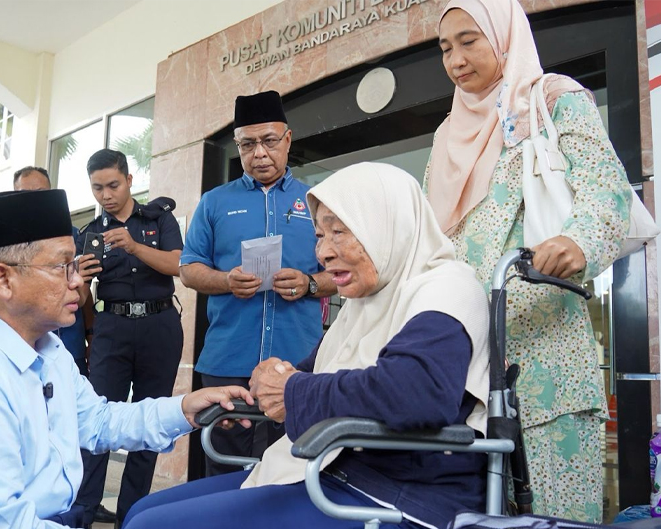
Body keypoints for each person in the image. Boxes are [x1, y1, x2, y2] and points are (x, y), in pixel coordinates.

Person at [123, 162, 491, 529]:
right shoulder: (366, 303)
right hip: (333, 471)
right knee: (141, 511)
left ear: (387, 223)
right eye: (319, 235)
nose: (323, 253)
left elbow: (416, 390)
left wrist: (291, 389)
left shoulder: (447, 288)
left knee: (149, 525)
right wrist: (262, 390)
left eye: (340, 231)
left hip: (398, 494)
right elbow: (306, 373)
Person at [0, 189, 254, 529]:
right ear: (3, 280)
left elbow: (97, 421)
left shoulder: (47, 349)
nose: (77, 281)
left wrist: (185, 409)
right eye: (62, 266)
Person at [424, 0, 633, 521]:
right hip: (466, 367)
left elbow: (607, 192)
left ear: (503, 36)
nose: (455, 59)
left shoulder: (553, 101)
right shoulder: (445, 135)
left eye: (469, 40)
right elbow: (432, 238)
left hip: (548, 359)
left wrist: (579, 242)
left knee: (556, 514)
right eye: (446, 48)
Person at [180, 89, 335, 476]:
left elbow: (347, 271)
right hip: (228, 358)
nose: (259, 153)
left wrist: (310, 284)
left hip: (297, 360)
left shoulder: (316, 199)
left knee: (292, 467)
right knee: (224, 468)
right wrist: (225, 280)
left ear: (287, 139)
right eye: (247, 144)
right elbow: (188, 269)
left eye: (268, 141)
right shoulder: (214, 202)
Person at [74, 149, 185, 526]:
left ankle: (131, 517)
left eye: (112, 185)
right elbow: (80, 298)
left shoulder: (160, 219)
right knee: (95, 423)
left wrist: (135, 246)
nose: (105, 194)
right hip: (112, 330)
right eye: (97, 188)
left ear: (130, 180)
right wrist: (80, 280)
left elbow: (178, 265)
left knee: (150, 424)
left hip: (160, 327)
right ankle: (83, 515)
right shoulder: (89, 234)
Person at [14, 166, 90, 376]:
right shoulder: (7, 243)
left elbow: (83, 296)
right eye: (24, 195)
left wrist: (90, 335)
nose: (34, 202)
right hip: (24, 348)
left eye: (41, 194)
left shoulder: (72, 236)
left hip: (69, 346)